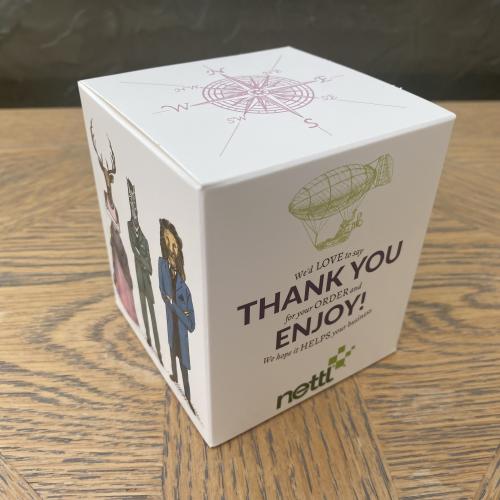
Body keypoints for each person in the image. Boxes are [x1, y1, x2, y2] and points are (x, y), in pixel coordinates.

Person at [158, 218, 196, 413]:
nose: (171, 248)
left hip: (181, 330)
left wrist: (176, 307)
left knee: (183, 364)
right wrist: (178, 309)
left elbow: (191, 325)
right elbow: (162, 292)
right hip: (171, 323)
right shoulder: (162, 265)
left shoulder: (185, 289)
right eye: (166, 241)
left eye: (173, 244)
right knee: (171, 351)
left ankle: (189, 400)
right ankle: (174, 379)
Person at [127, 179, 161, 363]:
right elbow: (134, 250)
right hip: (139, 279)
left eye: (135, 205)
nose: (134, 209)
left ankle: (158, 350)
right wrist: (144, 261)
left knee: (153, 314)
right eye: (131, 203)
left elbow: (150, 266)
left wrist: (145, 263)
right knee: (144, 314)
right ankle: (147, 340)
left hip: (147, 280)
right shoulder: (129, 228)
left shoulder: (145, 239)